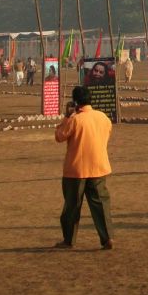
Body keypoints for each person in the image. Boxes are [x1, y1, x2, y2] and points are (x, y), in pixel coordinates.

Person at [53, 85, 114, 250]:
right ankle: (107, 237)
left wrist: (66, 116)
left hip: (76, 170)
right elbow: (107, 134)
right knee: (101, 204)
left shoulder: (74, 120)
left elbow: (59, 136)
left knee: (72, 206)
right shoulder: (103, 118)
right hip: (99, 167)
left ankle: (69, 239)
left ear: (76, 102)